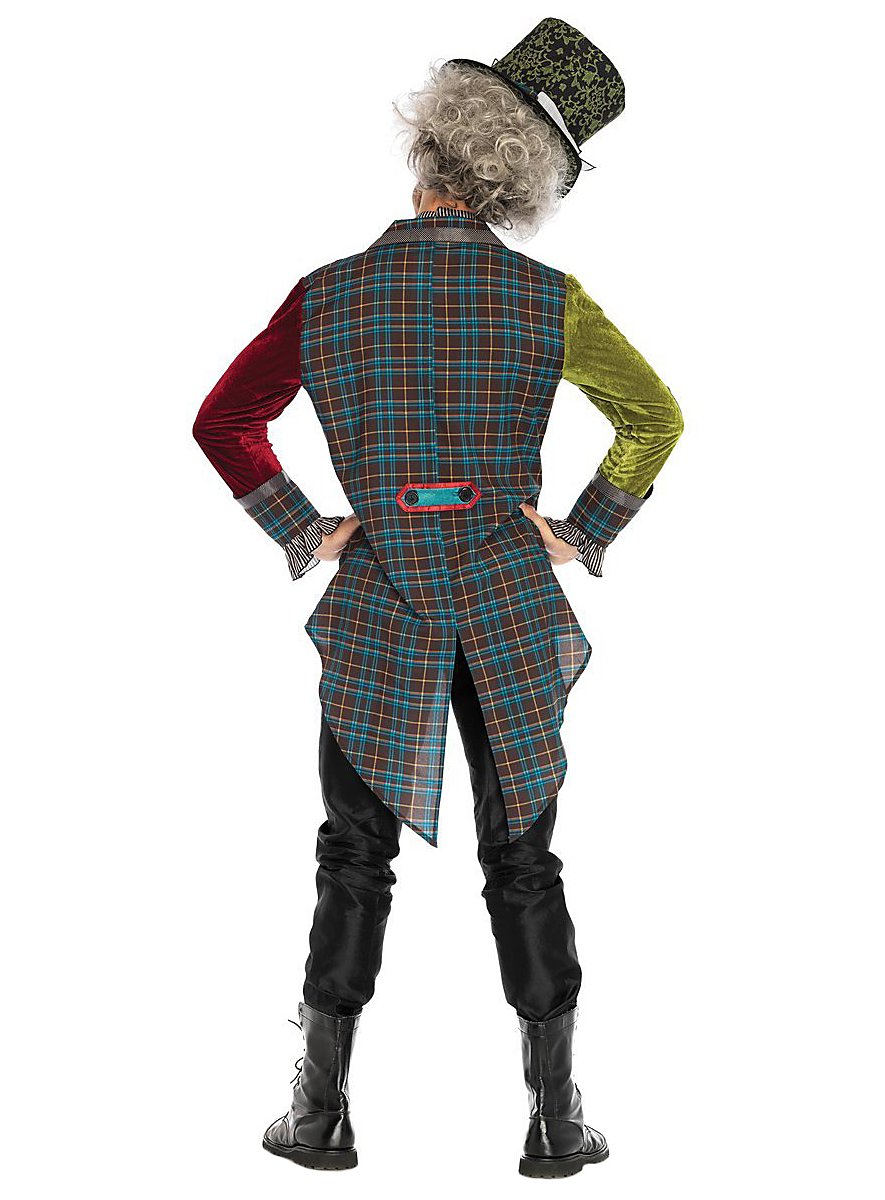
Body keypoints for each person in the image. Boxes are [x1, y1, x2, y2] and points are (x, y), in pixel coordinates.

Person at [193, 17, 683, 1179]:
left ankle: (320, 1115)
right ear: (523, 183)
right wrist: (583, 530)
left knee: (352, 858)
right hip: (509, 599)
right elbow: (654, 418)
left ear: (428, 146)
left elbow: (224, 422)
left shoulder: (327, 295)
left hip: (381, 600)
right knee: (524, 862)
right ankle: (555, 1123)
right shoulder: (551, 300)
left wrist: (307, 528)